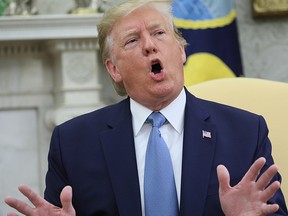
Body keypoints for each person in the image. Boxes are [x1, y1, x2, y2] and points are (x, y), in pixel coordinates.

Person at [4, 0, 288, 215]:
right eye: (132, 40)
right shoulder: (73, 142)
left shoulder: (245, 132)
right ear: (114, 69)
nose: (150, 46)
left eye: (159, 33)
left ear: (181, 51)